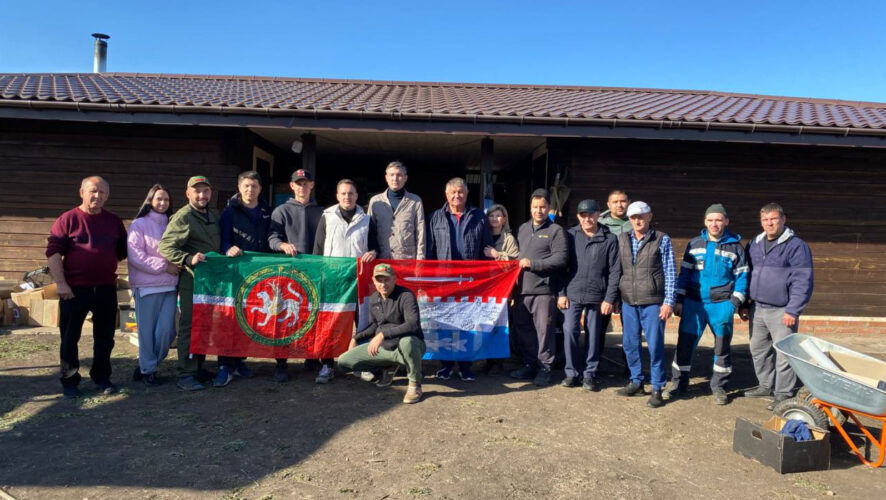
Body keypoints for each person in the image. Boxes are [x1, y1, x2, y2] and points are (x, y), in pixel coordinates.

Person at [47, 176, 128, 398]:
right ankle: (70, 380)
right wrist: (61, 283)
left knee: (105, 337)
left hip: (105, 289)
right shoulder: (68, 219)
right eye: (93, 191)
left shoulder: (113, 221)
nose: (97, 196)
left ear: (107, 196)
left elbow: (122, 251)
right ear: (81, 192)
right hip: (74, 290)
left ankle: (101, 377)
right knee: (70, 337)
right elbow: (53, 253)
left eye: (102, 192)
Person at [669, 204, 748, 405]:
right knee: (684, 346)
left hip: (721, 306)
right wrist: (679, 300)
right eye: (710, 220)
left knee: (722, 348)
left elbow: (742, 277)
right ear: (705, 222)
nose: (714, 224)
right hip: (693, 305)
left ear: (726, 221)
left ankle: (719, 386)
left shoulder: (736, 247)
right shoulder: (694, 244)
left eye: (719, 220)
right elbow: (684, 274)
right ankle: (679, 384)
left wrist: (733, 303)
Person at [742, 203, 813, 410]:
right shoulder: (754, 244)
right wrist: (745, 304)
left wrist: (793, 309)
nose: (769, 223)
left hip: (782, 310)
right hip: (757, 308)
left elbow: (803, 280)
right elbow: (746, 275)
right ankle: (765, 385)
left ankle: (783, 393)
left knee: (784, 354)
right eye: (765, 219)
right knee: (758, 349)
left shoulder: (796, 246)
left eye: (773, 219)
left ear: (783, 219)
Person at [427, 177, 494, 381]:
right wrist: (429, 280)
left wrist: (487, 279)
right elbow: (429, 252)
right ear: (446, 194)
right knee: (444, 324)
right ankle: (446, 365)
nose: (457, 196)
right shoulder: (435, 217)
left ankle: (466, 365)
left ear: (466, 194)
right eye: (453, 192)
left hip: (470, 281)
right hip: (443, 281)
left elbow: (486, 249)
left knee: (468, 324)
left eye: (461, 192)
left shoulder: (479, 217)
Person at [312, 179, 378, 383]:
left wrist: (374, 252)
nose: (347, 197)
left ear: (357, 196)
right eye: (343, 193)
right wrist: (319, 277)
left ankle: (361, 364)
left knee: (362, 323)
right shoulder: (327, 216)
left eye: (350, 193)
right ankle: (327, 365)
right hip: (333, 280)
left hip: (358, 279)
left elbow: (374, 247)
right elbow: (318, 249)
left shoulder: (366, 219)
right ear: (337, 195)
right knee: (331, 322)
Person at [159, 175, 221, 391]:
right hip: (192, 280)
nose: (202, 195)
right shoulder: (184, 216)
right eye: (197, 191)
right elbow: (165, 246)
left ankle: (198, 366)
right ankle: (186, 373)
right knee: (190, 325)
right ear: (188, 194)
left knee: (204, 324)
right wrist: (186, 258)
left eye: (206, 191)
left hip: (210, 280)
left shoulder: (211, 215)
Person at [214, 170, 272, 387]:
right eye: (246, 186)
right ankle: (224, 364)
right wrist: (227, 249)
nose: (250, 190)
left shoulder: (267, 212)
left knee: (249, 318)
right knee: (230, 318)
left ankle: (239, 361)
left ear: (260, 189)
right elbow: (222, 240)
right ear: (239, 188)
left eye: (254, 186)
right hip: (235, 273)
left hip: (258, 274)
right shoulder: (229, 212)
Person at [616, 201, 676, 408]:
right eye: (633, 217)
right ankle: (636, 381)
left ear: (649, 216)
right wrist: (617, 297)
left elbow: (670, 271)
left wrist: (668, 302)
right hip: (629, 301)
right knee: (629, 344)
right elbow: (618, 270)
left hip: (653, 302)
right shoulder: (623, 239)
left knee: (655, 345)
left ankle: (657, 387)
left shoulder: (661, 239)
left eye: (641, 216)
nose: (637, 220)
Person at [338, 263, 425, 404]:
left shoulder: (406, 295)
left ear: (394, 279)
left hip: (406, 347)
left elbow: (413, 324)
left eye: (387, 280)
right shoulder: (374, 298)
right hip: (385, 348)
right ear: (373, 280)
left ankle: (415, 385)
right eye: (379, 280)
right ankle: (387, 367)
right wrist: (355, 338)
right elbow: (374, 325)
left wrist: (383, 334)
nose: (383, 284)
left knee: (408, 341)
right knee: (344, 361)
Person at [557, 199, 621, 391]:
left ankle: (589, 374)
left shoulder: (609, 238)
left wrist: (609, 298)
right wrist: (561, 293)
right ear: (578, 216)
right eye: (583, 215)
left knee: (594, 335)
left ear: (598, 214)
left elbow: (614, 270)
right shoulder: (570, 235)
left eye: (591, 215)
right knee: (570, 330)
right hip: (573, 292)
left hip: (597, 294)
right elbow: (561, 266)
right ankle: (571, 373)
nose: (587, 219)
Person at [267, 168, 324, 382]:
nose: (302, 187)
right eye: (298, 183)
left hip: (315, 273)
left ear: (312, 185)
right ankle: (281, 363)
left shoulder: (322, 212)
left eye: (305, 183)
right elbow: (272, 238)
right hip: (289, 274)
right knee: (285, 317)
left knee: (313, 315)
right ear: (292, 186)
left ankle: (311, 357)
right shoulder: (281, 211)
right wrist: (281, 245)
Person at [510, 189, 568, 386]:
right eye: (535, 207)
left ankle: (545, 368)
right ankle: (529, 364)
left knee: (544, 331)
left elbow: (561, 259)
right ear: (530, 208)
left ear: (549, 207)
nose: (539, 211)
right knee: (524, 330)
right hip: (522, 291)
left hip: (544, 291)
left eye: (542, 207)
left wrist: (533, 264)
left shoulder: (556, 231)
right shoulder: (522, 229)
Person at [127, 184, 180, 386]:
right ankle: (149, 370)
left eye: (166, 199)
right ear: (150, 200)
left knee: (167, 331)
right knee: (146, 333)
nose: (162, 203)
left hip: (170, 286)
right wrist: (165, 266)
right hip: (147, 287)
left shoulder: (173, 224)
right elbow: (135, 256)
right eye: (159, 198)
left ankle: (147, 364)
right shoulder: (139, 224)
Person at [481, 203, 520, 375]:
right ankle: (488, 360)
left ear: (504, 219)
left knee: (500, 325)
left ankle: (498, 361)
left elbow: (515, 262)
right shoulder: (483, 236)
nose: (494, 219)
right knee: (486, 324)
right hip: (485, 288)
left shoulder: (509, 239)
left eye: (498, 215)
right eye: (491, 215)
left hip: (502, 289)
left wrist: (498, 255)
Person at [367, 161, 426, 260]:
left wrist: (420, 258)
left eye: (399, 175)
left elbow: (421, 232)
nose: (395, 178)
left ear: (405, 178)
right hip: (381, 259)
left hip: (407, 259)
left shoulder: (415, 201)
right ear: (386, 177)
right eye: (392, 175)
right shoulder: (375, 202)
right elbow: (370, 231)